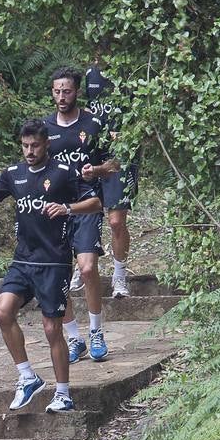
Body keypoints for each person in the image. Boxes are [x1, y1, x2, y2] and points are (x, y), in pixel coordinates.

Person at [0, 119, 102, 414]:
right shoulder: (12, 174)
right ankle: (28, 377)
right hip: (22, 260)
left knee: (50, 328)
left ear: (46, 145)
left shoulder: (63, 173)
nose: (29, 151)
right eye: (25, 146)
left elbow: (96, 203)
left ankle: (63, 393)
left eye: (35, 146)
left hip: (54, 261)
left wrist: (67, 208)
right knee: (2, 312)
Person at [45, 66, 119, 363]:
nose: (61, 97)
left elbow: (114, 163)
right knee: (56, 274)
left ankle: (96, 331)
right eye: (57, 91)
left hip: (87, 204)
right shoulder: (44, 128)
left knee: (87, 269)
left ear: (77, 92)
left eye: (67, 91)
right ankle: (75, 337)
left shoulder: (94, 124)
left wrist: (96, 170)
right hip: (54, 210)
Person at [84, 65, 137, 299]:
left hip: (121, 152)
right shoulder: (89, 74)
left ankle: (119, 275)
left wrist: (127, 135)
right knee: (85, 213)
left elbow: (142, 117)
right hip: (94, 150)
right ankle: (82, 265)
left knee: (116, 221)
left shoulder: (131, 70)